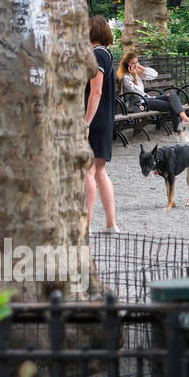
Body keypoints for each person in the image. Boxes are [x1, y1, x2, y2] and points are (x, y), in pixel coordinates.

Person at [83, 15, 118, 232]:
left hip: (94, 119)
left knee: (88, 171)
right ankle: (110, 223)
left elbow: (95, 91)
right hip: (104, 118)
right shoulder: (106, 54)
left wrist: (85, 122)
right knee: (99, 170)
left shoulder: (96, 55)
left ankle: (84, 227)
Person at [118, 50, 189, 139]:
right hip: (139, 104)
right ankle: (180, 131)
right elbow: (137, 93)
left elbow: (154, 75)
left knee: (172, 95)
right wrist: (135, 77)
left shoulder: (138, 73)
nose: (135, 65)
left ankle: (184, 117)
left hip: (147, 99)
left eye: (136, 62)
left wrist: (140, 67)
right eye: (132, 63)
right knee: (172, 105)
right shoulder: (126, 78)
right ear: (127, 65)